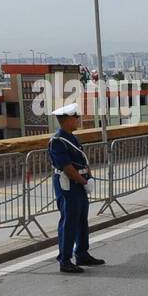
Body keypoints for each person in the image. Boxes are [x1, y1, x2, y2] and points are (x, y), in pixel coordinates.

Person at [48, 103, 104, 274]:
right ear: (67, 120)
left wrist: (89, 177)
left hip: (79, 182)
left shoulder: (72, 137)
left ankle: (81, 253)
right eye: (75, 117)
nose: (78, 119)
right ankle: (65, 259)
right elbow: (67, 167)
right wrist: (84, 182)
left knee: (81, 219)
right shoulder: (58, 141)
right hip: (68, 184)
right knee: (69, 221)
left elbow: (82, 161)